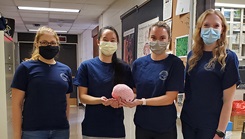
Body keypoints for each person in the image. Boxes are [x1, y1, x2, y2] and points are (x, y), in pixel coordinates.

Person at [180, 9, 241, 139]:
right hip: (189, 122)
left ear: (222, 30)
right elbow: (189, 91)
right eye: (206, 25)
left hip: (211, 126)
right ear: (200, 28)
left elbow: (228, 101)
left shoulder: (228, 58)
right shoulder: (193, 56)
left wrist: (220, 131)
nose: (210, 29)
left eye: (216, 26)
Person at [123, 21, 185, 139]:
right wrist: (127, 99)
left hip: (165, 127)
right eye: (153, 37)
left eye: (162, 38)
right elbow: (135, 91)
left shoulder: (175, 64)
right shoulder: (138, 64)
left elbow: (169, 98)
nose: (157, 41)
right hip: (143, 125)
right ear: (148, 39)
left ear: (168, 40)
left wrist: (142, 102)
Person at [11, 26, 73, 139]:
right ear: (37, 44)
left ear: (57, 45)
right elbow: (16, 104)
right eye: (44, 42)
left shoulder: (66, 70)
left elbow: (67, 103)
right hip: (33, 131)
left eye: (52, 43)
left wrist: (66, 124)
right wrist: (16, 135)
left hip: (61, 130)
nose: (49, 46)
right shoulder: (25, 68)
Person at [73, 26, 133, 139]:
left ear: (117, 43)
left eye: (112, 40)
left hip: (116, 129)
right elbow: (83, 97)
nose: (109, 43)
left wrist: (123, 102)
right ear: (98, 42)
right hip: (92, 129)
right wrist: (101, 101)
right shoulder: (87, 66)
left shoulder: (124, 68)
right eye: (105, 39)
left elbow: (132, 93)